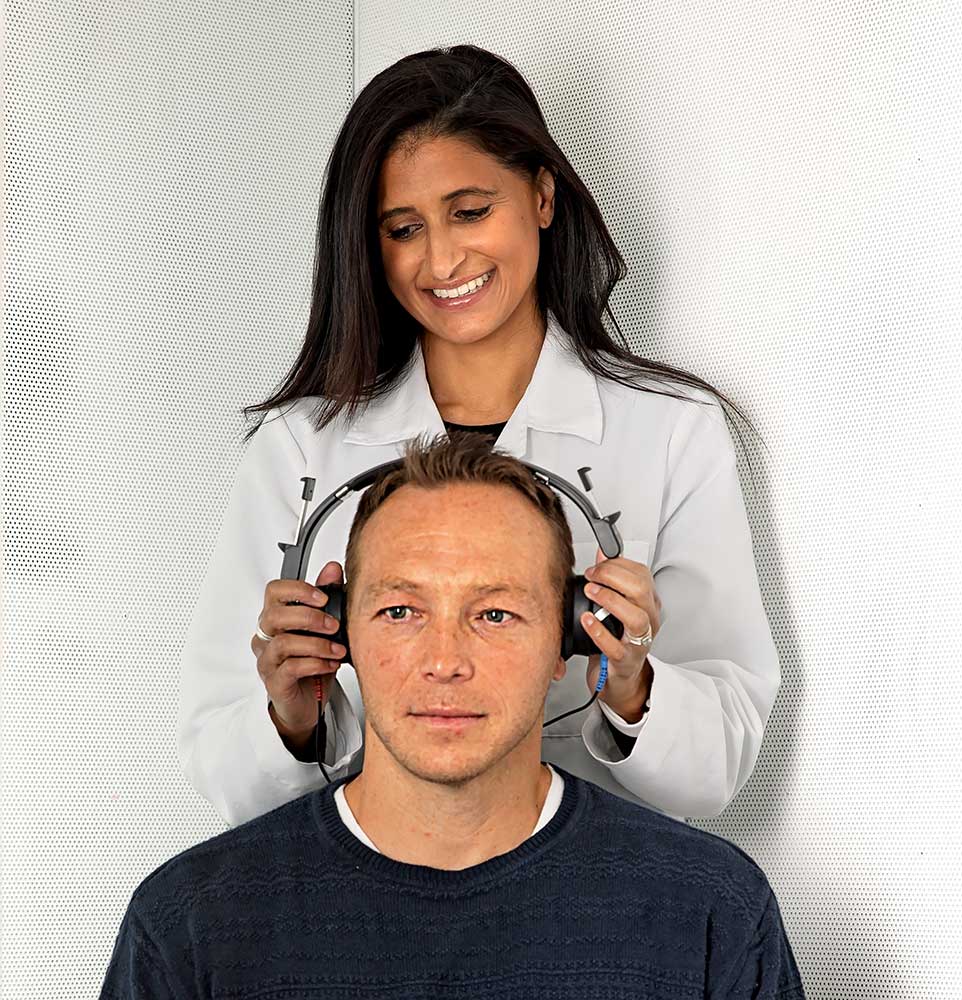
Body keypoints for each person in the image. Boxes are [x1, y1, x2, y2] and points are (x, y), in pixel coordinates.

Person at [178, 43, 782, 828]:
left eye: (470, 211)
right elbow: (227, 777)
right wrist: (292, 718)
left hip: (578, 891)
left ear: (540, 195)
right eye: (402, 228)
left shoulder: (670, 432)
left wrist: (631, 682)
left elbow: (716, 773)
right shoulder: (299, 448)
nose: (441, 259)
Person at [104, 433, 804, 999]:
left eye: (495, 614)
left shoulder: (711, 911)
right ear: (337, 633)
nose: (445, 661)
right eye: (400, 611)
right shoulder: (188, 923)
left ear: (572, 635)